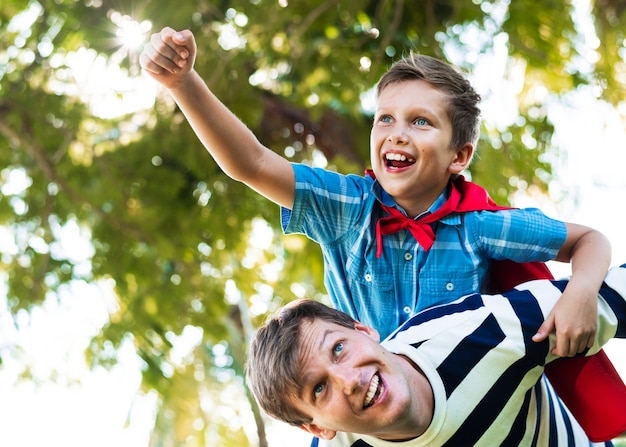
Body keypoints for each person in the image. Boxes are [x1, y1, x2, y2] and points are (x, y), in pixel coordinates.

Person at [139, 27, 625, 439]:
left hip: (451, 392)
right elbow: (251, 162)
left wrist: (581, 291)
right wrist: (183, 84)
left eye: (420, 122)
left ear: (459, 156)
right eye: (385, 119)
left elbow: (590, 241)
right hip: (362, 404)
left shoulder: (480, 226)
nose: (396, 133)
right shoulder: (347, 207)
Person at [246, 265, 626, 446]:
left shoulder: (481, 332)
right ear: (317, 429)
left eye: (339, 348)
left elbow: (615, 293)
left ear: (365, 330)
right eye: (318, 390)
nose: (349, 380)